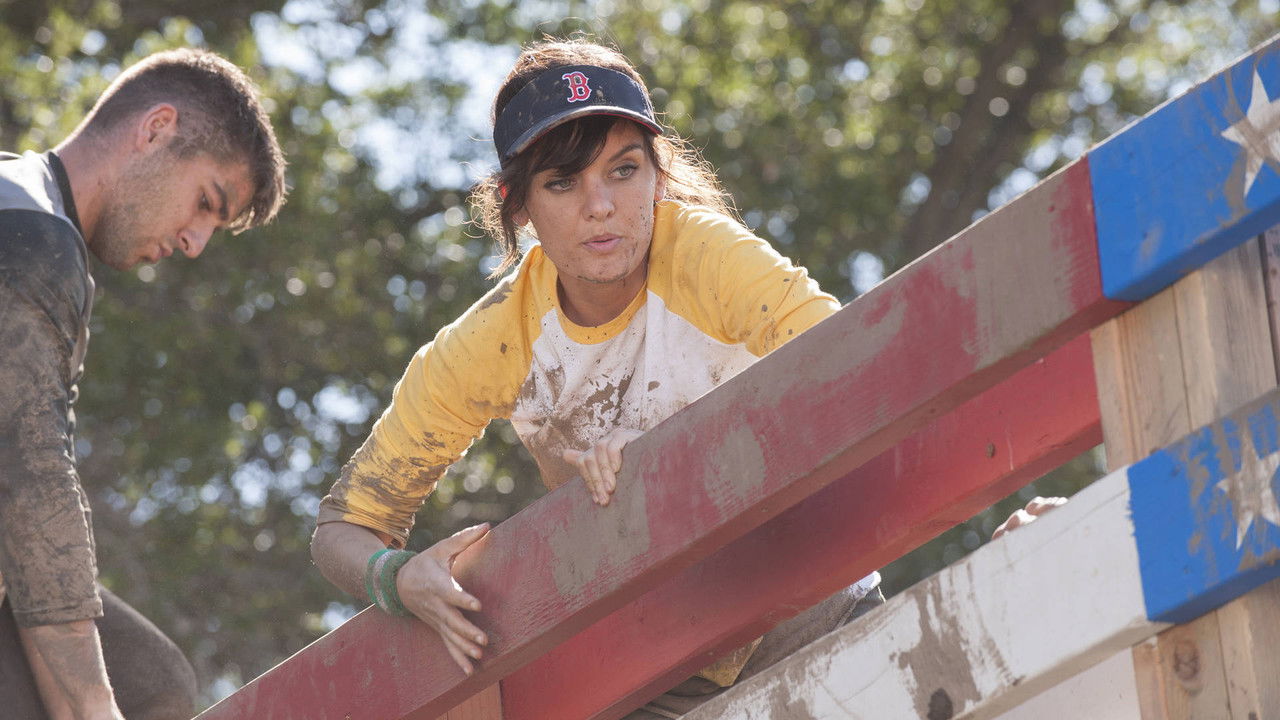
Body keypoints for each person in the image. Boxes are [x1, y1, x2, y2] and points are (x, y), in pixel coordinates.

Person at [313, 37, 882, 716]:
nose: (602, 205)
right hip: (660, 669)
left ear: (658, 176)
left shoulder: (704, 254)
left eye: (624, 170)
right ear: (516, 204)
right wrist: (396, 578)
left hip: (812, 603)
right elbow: (343, 527)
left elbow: (848, 360)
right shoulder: (494, 341)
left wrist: (670, 461)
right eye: (562, 182)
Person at [0, 47, 286, 720]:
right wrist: (93, 707)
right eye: (205, 202)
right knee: (141, 686)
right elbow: (31, 486)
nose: (195, 243)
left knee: (148, 676)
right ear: (156, 129)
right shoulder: (30, 233)